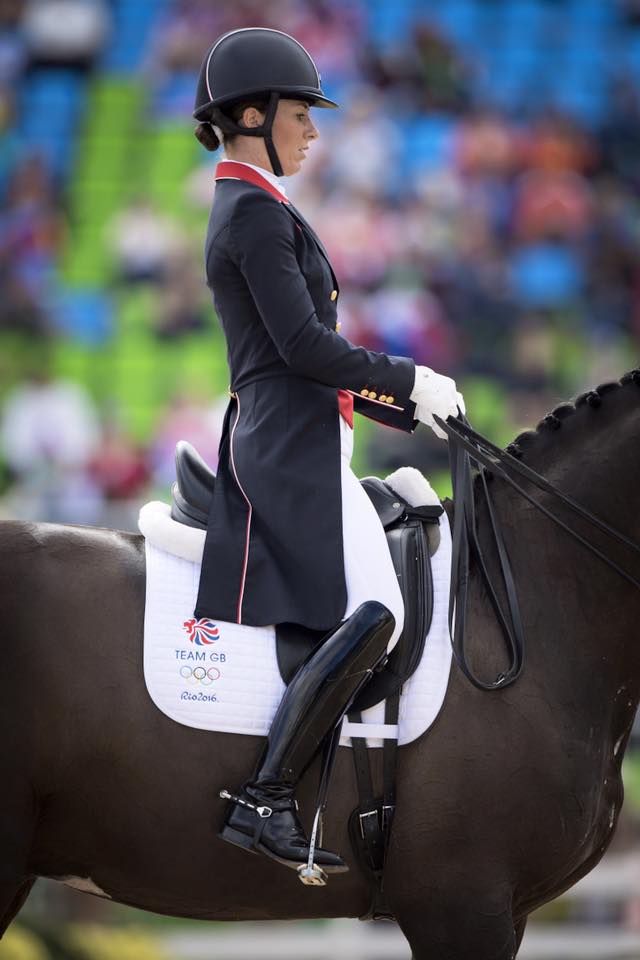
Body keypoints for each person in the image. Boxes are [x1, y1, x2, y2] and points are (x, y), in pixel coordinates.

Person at [192, 27, 464, 879]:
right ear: (250, 114)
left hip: (309, 434)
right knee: (378, 611)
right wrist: (407, 378)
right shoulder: (252, 213)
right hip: (288, 445)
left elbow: (308, 357)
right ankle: (266, 794)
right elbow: (305, 347)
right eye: (301, 112)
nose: (313, 129)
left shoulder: (261, 205)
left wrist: (399, 407)